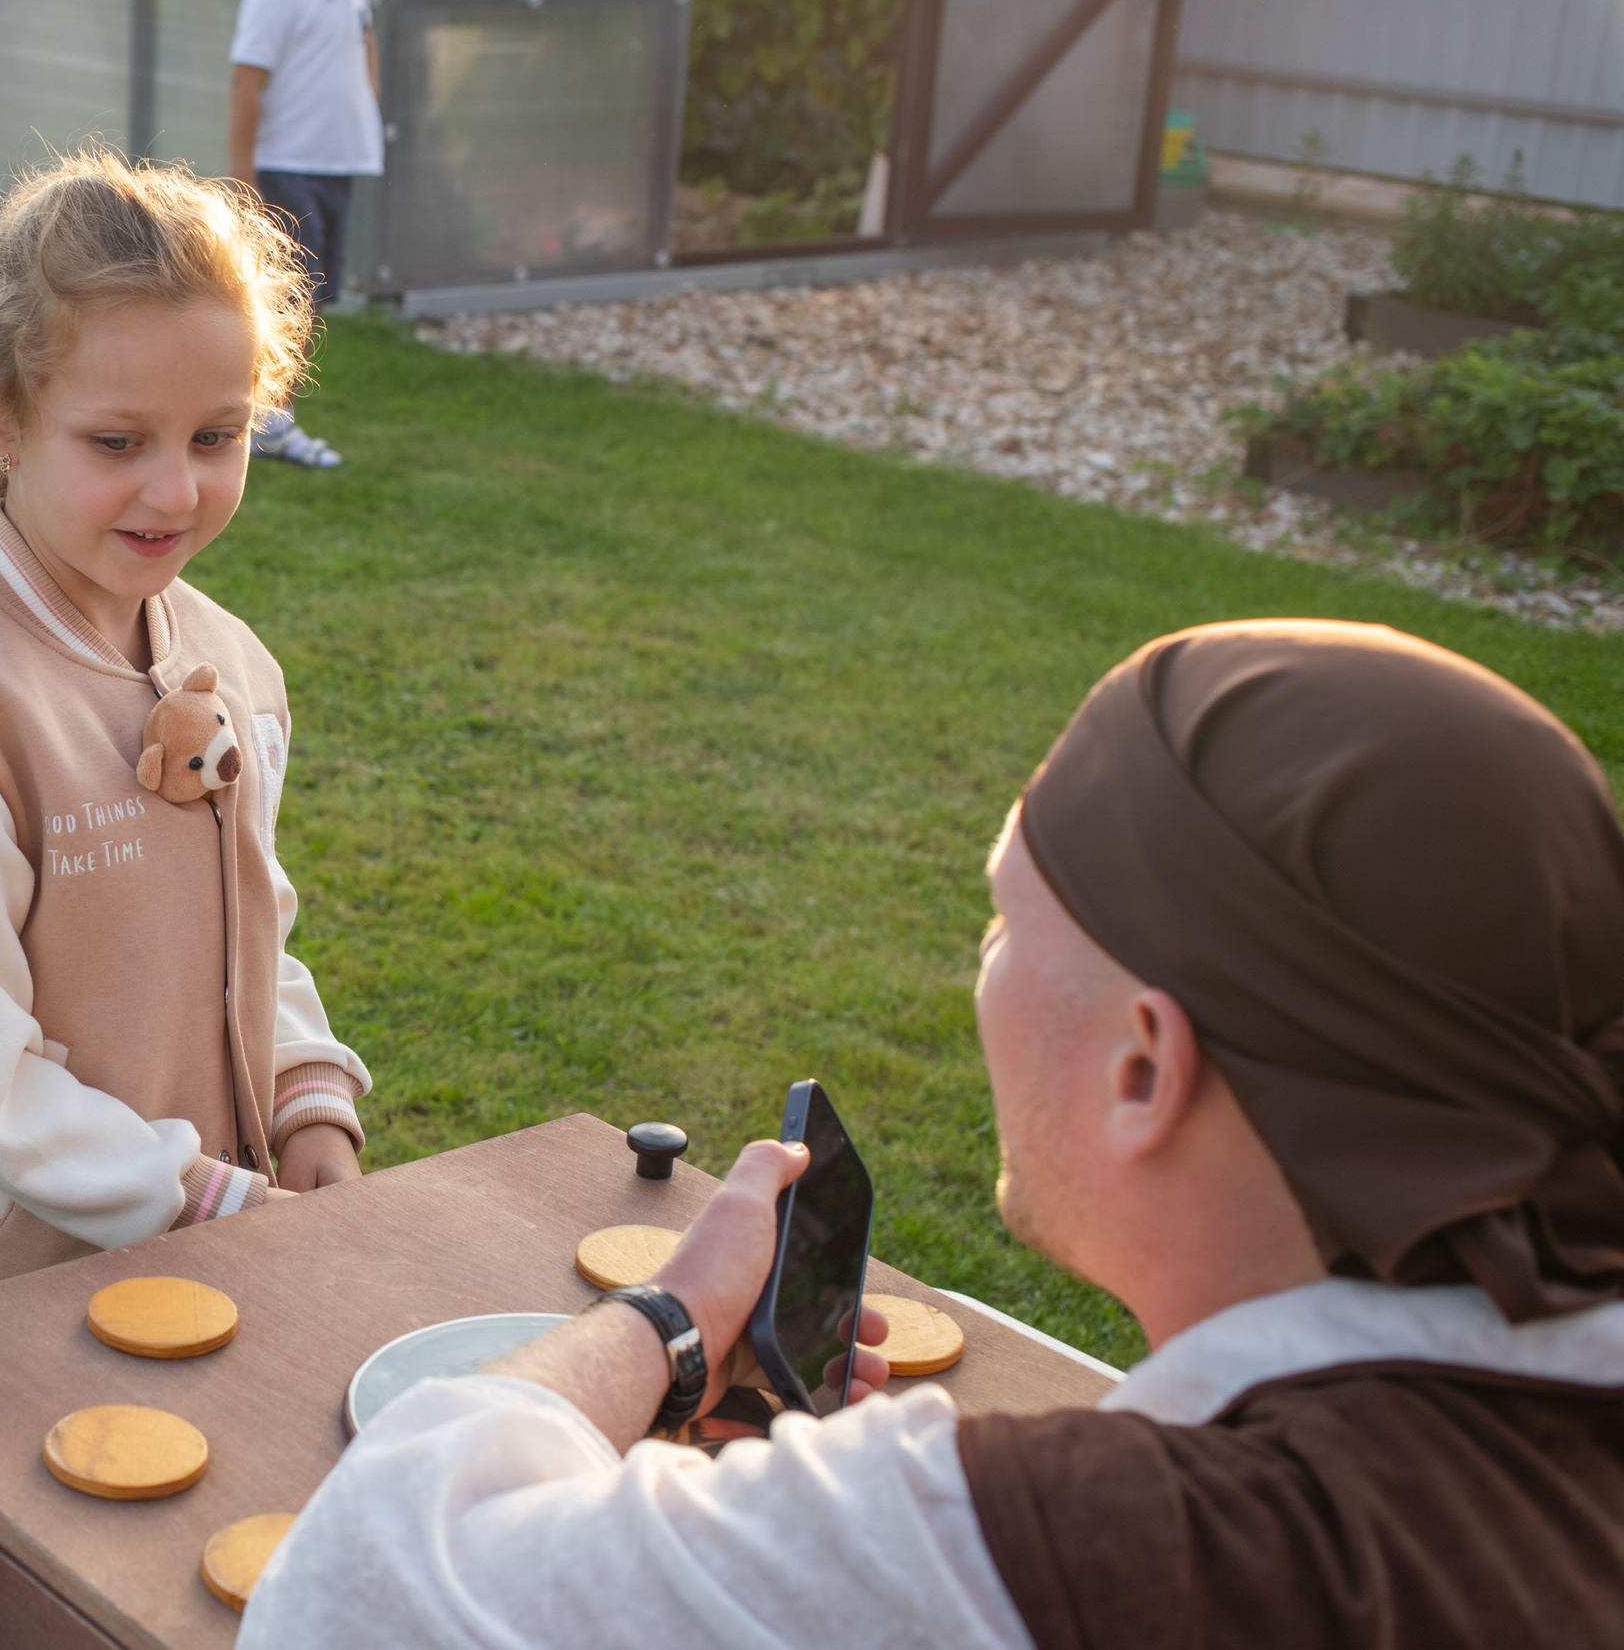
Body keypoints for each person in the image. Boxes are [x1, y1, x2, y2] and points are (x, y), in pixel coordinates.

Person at [243, 619, 1624, 1649]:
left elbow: (357, 1590)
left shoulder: (1067, 1544)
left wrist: (674, 1318)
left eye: (1007, 919)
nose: (983, 964)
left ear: (1145, 1066)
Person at [0, 150, 373, 1313]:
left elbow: (246, 928)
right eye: (118, 443)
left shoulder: (232, 664)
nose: (174, 493)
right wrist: (204, 1198)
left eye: (216, 438)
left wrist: (304, 1095)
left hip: (206, 1258)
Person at [227, 0, 382, 471]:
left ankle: (265, 417)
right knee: (285, 300)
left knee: (310, 300)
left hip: (337, 166)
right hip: (285, 168)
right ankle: (267, 421)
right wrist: (243, 184)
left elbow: (365, 44)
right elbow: (246, 85)